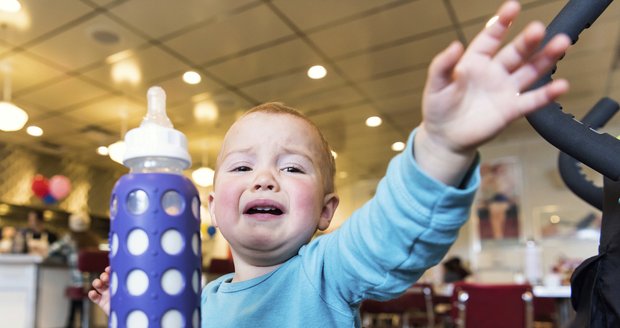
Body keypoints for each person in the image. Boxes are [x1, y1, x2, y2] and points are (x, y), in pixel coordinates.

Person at [88, 2, 571, 326]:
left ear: (325, 211)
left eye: (293, 168)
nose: (264, 178)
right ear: (214, 207)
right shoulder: (202, 300)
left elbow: (390, 235)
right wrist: (133, 310)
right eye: (240, 167)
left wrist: (443, 147)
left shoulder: (324, 272)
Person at [48, 211, 101, 328]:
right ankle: (83, 322)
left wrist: (63, 255)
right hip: (93, 285)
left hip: (78, 285)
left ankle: (71, 323)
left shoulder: (69, 239)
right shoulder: (93, 240)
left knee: (76, 299)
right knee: (79, 302)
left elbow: (51, 251)